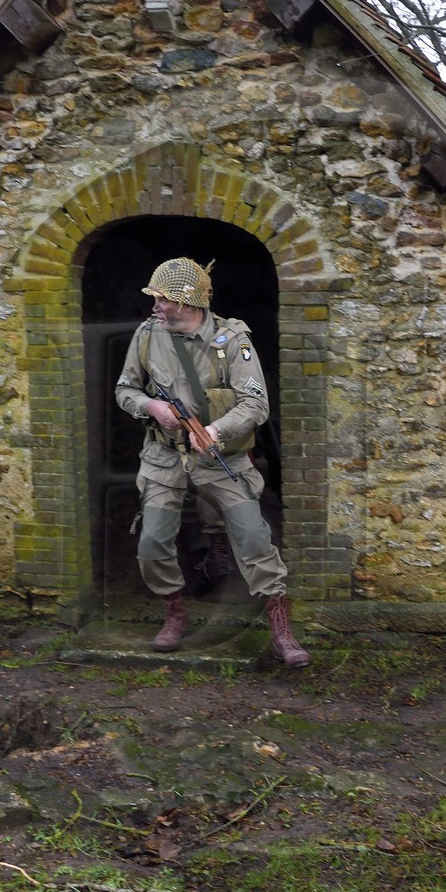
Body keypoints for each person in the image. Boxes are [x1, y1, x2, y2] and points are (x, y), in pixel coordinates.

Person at [114, 257, 310, 668]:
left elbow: (256, 403)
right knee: (152, 543)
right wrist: (151, 406)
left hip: (222, 456)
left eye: (162, 300)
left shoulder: (233, 341)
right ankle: (175, 613)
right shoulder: (147, 336)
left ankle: (280, 631)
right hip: (163, 457)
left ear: (186, 303)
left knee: (254, 539)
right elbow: (125, 389)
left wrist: (216, 431)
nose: (155, 306)